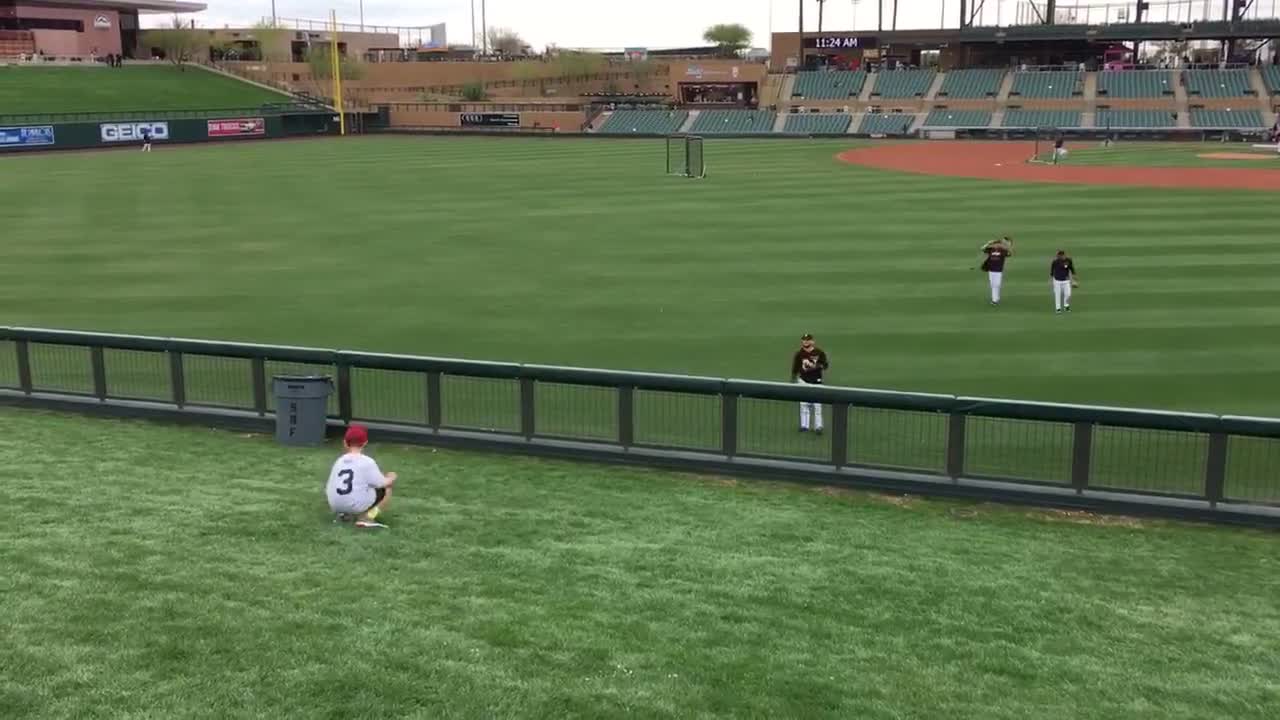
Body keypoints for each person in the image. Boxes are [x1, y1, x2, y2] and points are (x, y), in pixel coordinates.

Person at [325, 424, 397, 529]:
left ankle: (345, 515)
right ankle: (367, 518)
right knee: (387, 488)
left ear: (345, 443)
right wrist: (392, 477)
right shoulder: (367, 461)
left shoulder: (339, 461)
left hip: (335, 505)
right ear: (365, 443)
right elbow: (382, 483)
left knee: (361, 488)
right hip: (355, 504)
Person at [790, 334, 830, 434]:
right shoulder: (799, 354)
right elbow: (795, 368)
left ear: (813, 341)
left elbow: (825, 365)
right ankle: (804, 426)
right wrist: (793, 379)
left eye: (808, 340)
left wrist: (818, 366)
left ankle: (818, 427)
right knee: (804, 404)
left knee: (817, 405)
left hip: (816, 381)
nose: (806, 342)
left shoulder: (819, 352)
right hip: (803, 381)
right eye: (804, 340)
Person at [979, 236, 1014, 306]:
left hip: (998, 271)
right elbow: (982, 248)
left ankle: (995, 299)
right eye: (996, 244)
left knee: (997, 284)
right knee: (993, 285)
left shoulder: (1003, 251)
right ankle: (995, 299)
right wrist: (988, 243)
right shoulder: (991, 249)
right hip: (991, 270)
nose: (997, 245)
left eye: (998, 244)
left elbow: (1010, 254)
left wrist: (1009, 247)